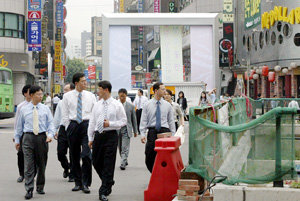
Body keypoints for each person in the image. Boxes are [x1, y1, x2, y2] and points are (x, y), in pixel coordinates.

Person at [88, 81, 127, 201]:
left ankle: (103, 190)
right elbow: (92, 122)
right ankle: (108, 180)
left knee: (108, 163)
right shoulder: (97, 104)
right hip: (98, 136)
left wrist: (110, 123)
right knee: (96, 161)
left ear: (106, 90)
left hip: (111, 135)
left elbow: (123, 121)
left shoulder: (116, 105)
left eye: (99, 89)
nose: (98, 91)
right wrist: (90, 138)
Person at [15, 86, 55, 200]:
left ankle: (40, 186)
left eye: (41, 94)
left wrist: (50, 135)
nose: (40, 96)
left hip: (42, 137)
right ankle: (29, 189)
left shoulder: (45, 109)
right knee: (28, 165)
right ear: (31, 95)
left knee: (41, 164)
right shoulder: (23, 109)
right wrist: (17, 140)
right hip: (28, 137)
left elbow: (50, 124)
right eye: (38, 94)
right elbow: (19, 127)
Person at [62, 73, 96, 193]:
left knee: (86, 155)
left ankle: (86, 183)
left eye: (85, 81)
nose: (85, 83)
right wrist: (68, 127)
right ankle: (77, 182)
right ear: (76, 83)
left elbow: (94, 113)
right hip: (73, 125)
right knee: (74, 155)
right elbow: (65, 113)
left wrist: (93, 128)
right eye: (83, 81)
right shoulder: (67, 97)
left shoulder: (91, 96)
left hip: (86, 125)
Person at [140, 82, 175, 173]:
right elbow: (143, 120)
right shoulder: (147, 104)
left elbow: (171, 121)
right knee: (149, 154)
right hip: (152, 131)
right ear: (156, 90)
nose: (164, 91)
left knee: (166, 156)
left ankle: (162, 175)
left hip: (164, 131)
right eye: (162, 89)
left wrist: (173, 135)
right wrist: (142, 134)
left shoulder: (167, 105)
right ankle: (154, 172)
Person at [53, 83, 75, 182]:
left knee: (73, 153)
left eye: (66, 90)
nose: (64, 92)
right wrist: (54, 130)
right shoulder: (61, 103)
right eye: (64, 90)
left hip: (74, 128)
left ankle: (73, 174)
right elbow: (57, 118)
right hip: (63, 129)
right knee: (60, 153)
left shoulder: (77, 102)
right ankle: (66, 167)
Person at [14, 84, 31, 183]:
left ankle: (31, 173)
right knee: (21, 154)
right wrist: (16, 137)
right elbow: (17, 123)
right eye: (30, 92)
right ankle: (22, 174)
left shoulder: (38, 105)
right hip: (23, 133)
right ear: (25, 94)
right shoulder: (21, 106)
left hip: (33, 133)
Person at [117, 88, 138, 170]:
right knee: (120, 147)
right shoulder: (116, 105)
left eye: (123, 96)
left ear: (126, 95)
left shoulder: (131, 106)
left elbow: (134, 119)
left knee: (125, 147)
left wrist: (135, 131)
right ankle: (124, 159)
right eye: (120, 96)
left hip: (127, 128)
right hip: (118, 129)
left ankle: (122, 162)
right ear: (118, 96)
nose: (122, 98)